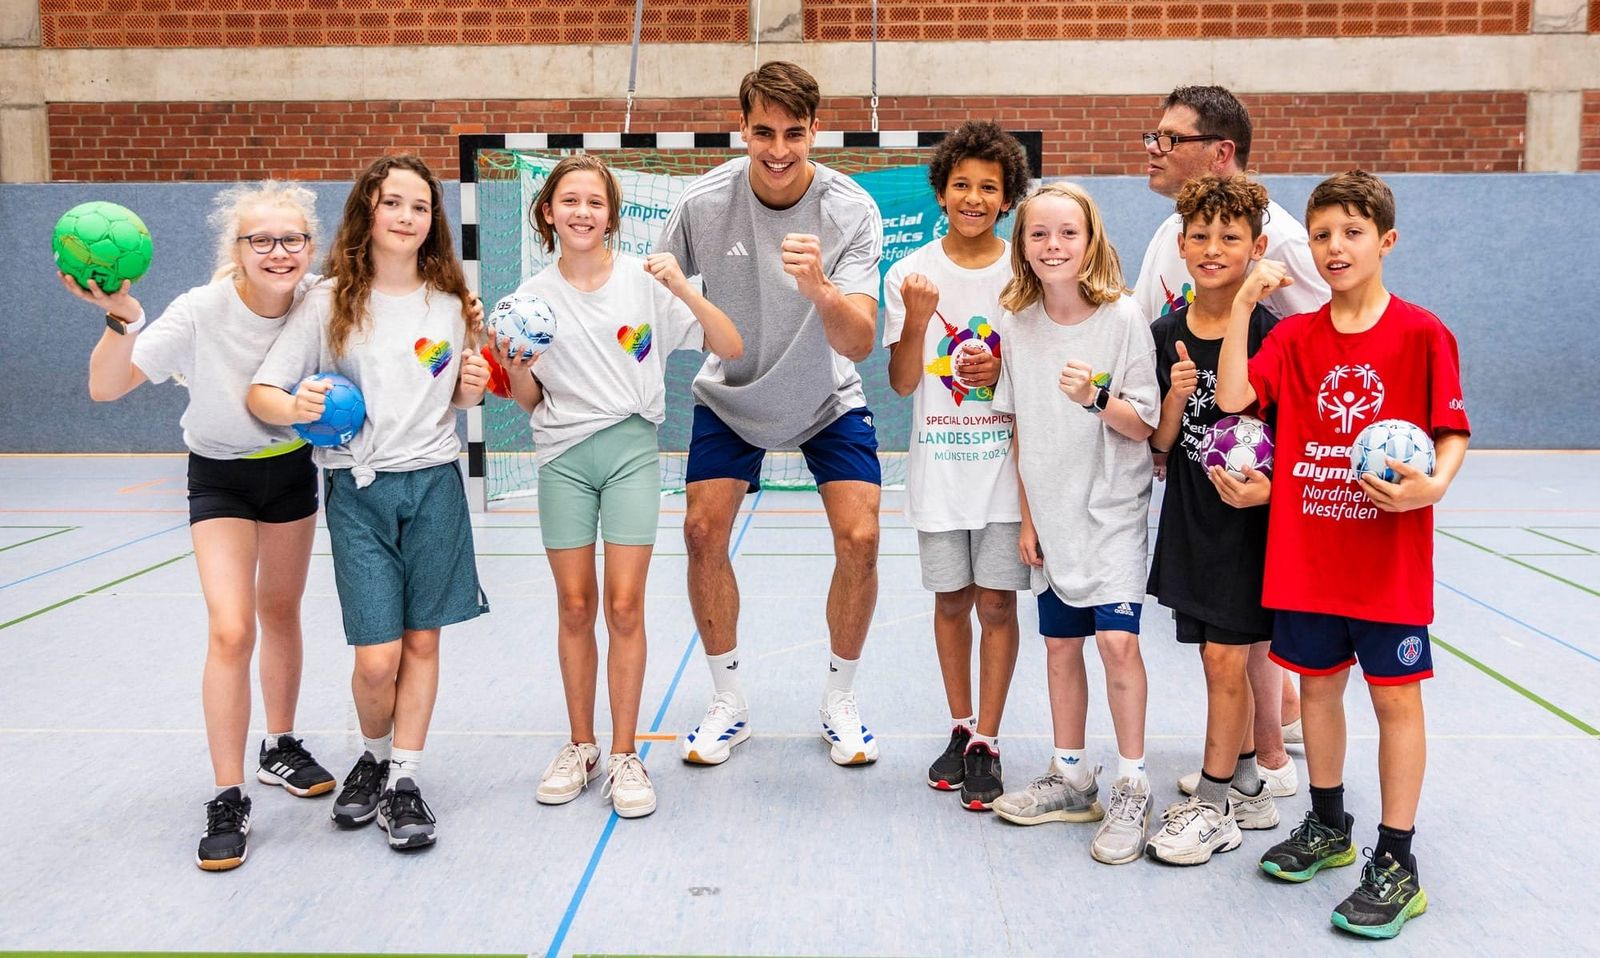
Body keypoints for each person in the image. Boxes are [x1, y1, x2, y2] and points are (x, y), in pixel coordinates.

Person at [1216, 170, 1469, 938]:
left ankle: (1398, 859)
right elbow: (1232, 399)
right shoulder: (1293, 337)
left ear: (1385, 241)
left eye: (1352, 233)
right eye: (1322, 233)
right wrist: (1242, 306)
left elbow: (1450, 432)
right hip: (1308, 556)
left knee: (1395, 701)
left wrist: (1433, 486)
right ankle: (1329, 824)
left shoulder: (1422, 334)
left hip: (1386, 563)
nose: (1335, 247)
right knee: (1319, 691)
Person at [62, 182, 335, 871]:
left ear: (310, 246)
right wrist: (122, 319)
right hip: (220, 478)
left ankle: (279, 745)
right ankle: (228, 793)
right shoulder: (199, 311)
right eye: (261, 240)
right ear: (236, 249)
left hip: (291, 471)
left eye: (292, 239)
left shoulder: (320, 300)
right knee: (231, 629)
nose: (278, 252)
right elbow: (105, 387)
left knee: (281, 611)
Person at [249, 154, 491, 852]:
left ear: (432, 220)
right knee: (377, 658)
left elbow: (454, 397)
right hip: (357, 490)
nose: (407, 217)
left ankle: (404, 778)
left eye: (420, 206)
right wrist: (295, 405)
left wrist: (471, 383)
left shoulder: (452, 303)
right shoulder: (327, 301)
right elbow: (265, 391)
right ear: (368, 211)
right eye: (393, 203)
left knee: (423, 641)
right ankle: (373, 756)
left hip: (435, 484)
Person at [493, 155, 742, 819]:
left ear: (612, 216)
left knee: (625, 607)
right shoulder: (528, 300)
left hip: (631, 452)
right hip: (562, 459)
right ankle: (581, 746)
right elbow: (529, 399)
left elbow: (730, 344)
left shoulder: (644, 282)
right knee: (575, 606)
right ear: (548, 212)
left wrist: (684, 288)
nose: (582, 212)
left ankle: (627, 754)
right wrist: (516, 368)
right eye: (569, 200)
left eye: (595, 202)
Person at [657, 61, 885, 768]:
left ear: (816, 130)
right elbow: (650, 297)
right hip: (731, 393)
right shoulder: (702, 204)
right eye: (763, 132)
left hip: (825, 396)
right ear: (742, 129)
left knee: (862, 537)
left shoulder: (851, 210)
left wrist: (820, 289)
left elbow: (860, 342)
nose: (778, 150)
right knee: (700, 531)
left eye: (793, 133)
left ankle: (840, 700)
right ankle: (728, 703)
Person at [1134, 83, 1320, 777]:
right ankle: (1259, 747)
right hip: (1193, 470)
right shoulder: (1170, 232)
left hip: (1253, 479)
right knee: (1222, 640)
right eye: (1154, 136)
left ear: (1220, 152)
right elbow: (1145, 330)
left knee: (1242, 632)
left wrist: (1283, 472)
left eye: (1170, 138)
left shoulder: (1286, 240)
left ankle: (1263, 764)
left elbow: (1322, 341)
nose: (1154, 149)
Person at [988, 183, 1159, 865]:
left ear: (1090, 241)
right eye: (1039, 234)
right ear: (1022, 245)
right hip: (1051, 513)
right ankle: (1072, 777)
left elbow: (1142, 423)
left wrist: (1095, 397)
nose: (1053, 245)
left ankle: (1132, 783)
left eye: (1067, 233)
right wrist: (1028, 518)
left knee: (1116, 643)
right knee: (1061, 648)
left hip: (1111, 512)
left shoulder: (1123, 317)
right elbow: (1019, 428)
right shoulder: (1015, 323)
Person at [883, 120, 1031, 809]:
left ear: (1008, 198)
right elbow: (903, 383)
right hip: (940, 471)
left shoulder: (1025, 272)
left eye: (989, 187)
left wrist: (1002, 371)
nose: (974, 198)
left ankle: (988, 742)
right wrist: (918, 319)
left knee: (997, 602)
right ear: (941, 192)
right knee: (951, 601)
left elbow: (1037, 371)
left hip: (1005, 472)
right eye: (962, 185)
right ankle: (960, 725)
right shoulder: (910, 273)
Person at [1143, 174, 1284, 866]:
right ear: (1181, 243)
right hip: (1191, 518)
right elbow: (1161, 447)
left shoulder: (1273, 334)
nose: (1212, 248)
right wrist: (1173, 399)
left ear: (1256, 248)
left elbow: (1294, 437)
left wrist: (1269, 493)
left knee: (1227, 658)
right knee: (1215, 657)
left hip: (1249, 527)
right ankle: (1250, 785)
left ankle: (1214, 803)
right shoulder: (1165, 332)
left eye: (1230, 237)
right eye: (1199, 235)